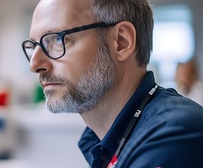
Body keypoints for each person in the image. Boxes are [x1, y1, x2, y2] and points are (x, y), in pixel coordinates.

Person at [22, 0, 203, 167]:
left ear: (121, 42)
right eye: (33, 46)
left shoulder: (173, 135)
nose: (35, 65)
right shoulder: (105, 141)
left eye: (56, 40)